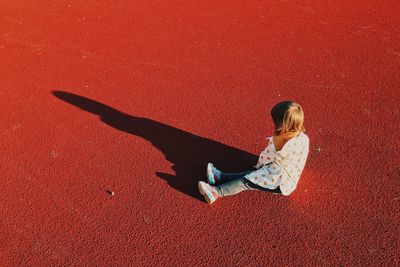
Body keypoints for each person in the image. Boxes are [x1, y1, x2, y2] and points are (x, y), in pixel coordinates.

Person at [198, 101, 310, 204]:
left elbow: (266, 157)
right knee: (251, 175)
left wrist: (259, 166)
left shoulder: (279, 140)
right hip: (290, 178)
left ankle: (216, 192)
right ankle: (219, 177)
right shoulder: (304, 138)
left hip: (278, 181)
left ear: (281, 124)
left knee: (246, 181)